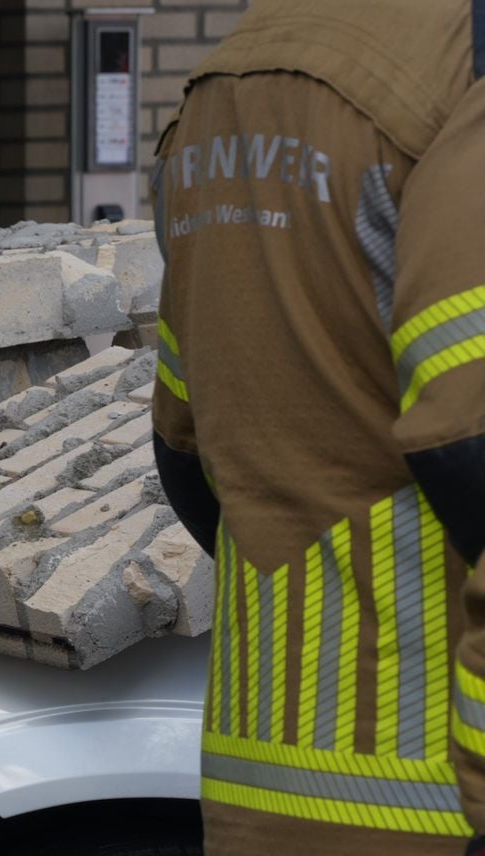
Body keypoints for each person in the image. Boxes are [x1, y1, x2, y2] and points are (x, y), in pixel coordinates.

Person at [151, 1, 485, 853]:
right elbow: (468, 446)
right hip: (430, 787)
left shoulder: (220, 85)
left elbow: (183, 447)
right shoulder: (455, 66)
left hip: (255, 770)